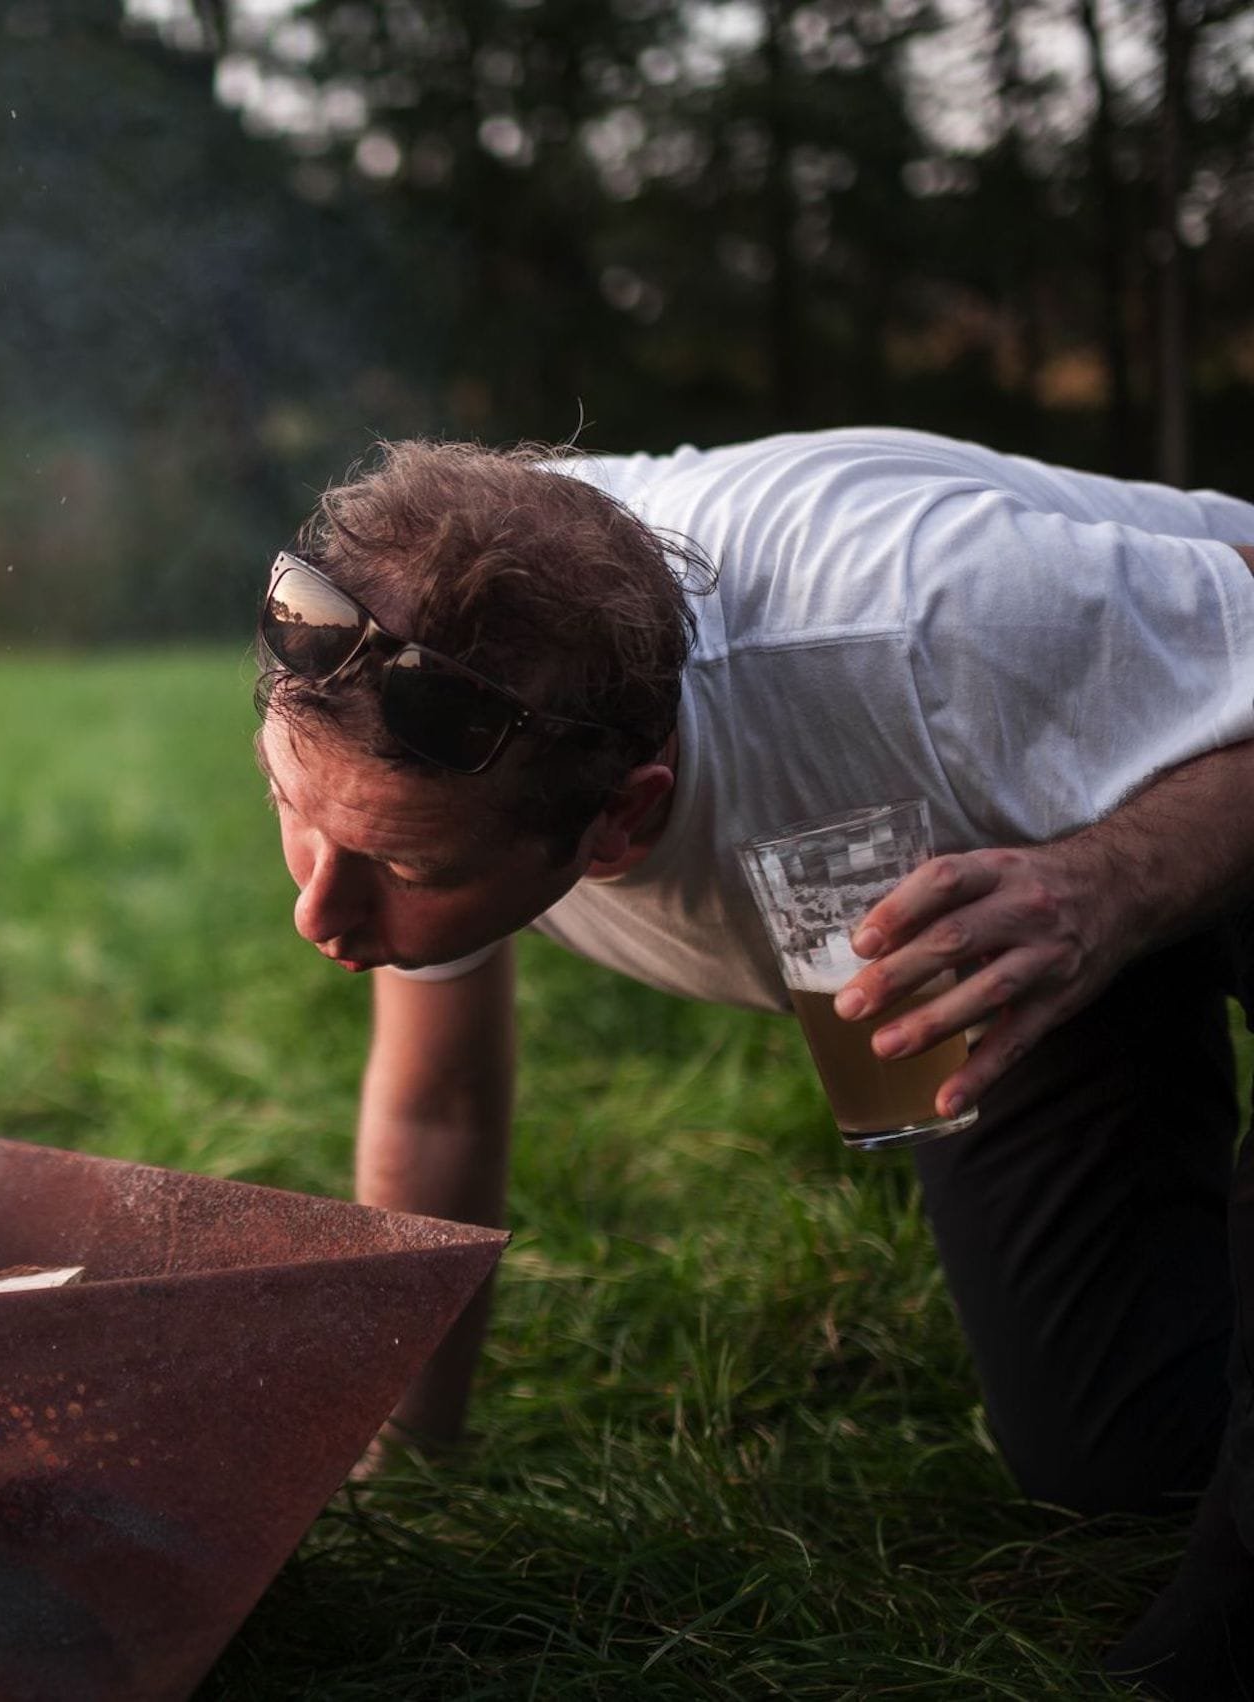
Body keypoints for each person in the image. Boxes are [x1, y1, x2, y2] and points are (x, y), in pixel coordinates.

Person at [251, 426, 1254, 1695]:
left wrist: (1112, 880)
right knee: (1124, 1466)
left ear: (620, 815)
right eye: (293, 808)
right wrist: (406, 1459)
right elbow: (440, 1096)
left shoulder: (922, 613)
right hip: (1004, 901)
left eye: (401, 871)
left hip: (1202, 750)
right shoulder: (413, 688)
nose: (316, 914)